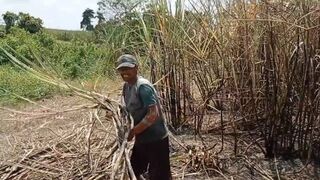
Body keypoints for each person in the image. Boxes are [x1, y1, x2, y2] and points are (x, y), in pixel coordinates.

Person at [116, 54, 172, 180]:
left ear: (136, 68)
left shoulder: (143, 87)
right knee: (134, 171)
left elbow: (153, 114)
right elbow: (129, 109)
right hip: (142, 139)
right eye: (122, 69)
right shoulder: (127, 87)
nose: (124, 72)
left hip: (156, 139)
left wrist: (133, 131)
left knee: (160, 176)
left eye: (127, 68)